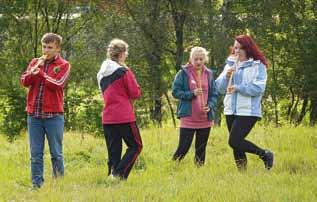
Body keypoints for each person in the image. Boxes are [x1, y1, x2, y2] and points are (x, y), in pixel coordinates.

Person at [215, 35, 274, 171]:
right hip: (230, 109)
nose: (236, 51)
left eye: (240, 48)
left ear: (247, 49)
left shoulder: (258, 66)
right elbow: (219, 87)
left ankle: (265, 155)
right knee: (237, 145)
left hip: (248, 110)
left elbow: (258, 88)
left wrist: (238, 87)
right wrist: (226, 77)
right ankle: (242, 174)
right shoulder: (230, 64)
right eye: (235, 48)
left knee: (234, 141)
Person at [20, 33, 70, 188]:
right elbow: (24, 81)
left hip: (53, 117)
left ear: (57, 48)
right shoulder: (36, 62)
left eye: (50, 47)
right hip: (34, 116)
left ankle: (58, 184)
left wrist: (41, 74)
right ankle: (37, 184)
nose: (46, 50)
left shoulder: (64, 65)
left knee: (56, 153)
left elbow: (57, 84)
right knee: (35, 154)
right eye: (44, 47)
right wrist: (35, 69)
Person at [97, 39, 142, 180]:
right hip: (124, 115)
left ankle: (112, 177)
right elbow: (135, 93)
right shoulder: (123, 71)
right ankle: (119, 174)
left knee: (113, 151)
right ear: (122, 53)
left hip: (108, 117)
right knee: (136, 146)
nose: (126, 55)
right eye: (126, 52)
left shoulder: (101, 73)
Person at [172, 46, 218, 166]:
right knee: (183, 148)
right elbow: (175, 92)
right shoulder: (183, 73)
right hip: (188, 117)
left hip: (205, 118)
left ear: (205, 60)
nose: (198, 62)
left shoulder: (209, 74)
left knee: (201, 150)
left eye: (201, 59)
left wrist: (210, 105)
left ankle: (199, 173)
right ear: (191, 59)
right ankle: (172, 168)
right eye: (196, 59)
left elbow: (214, 94)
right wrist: (191, 94)